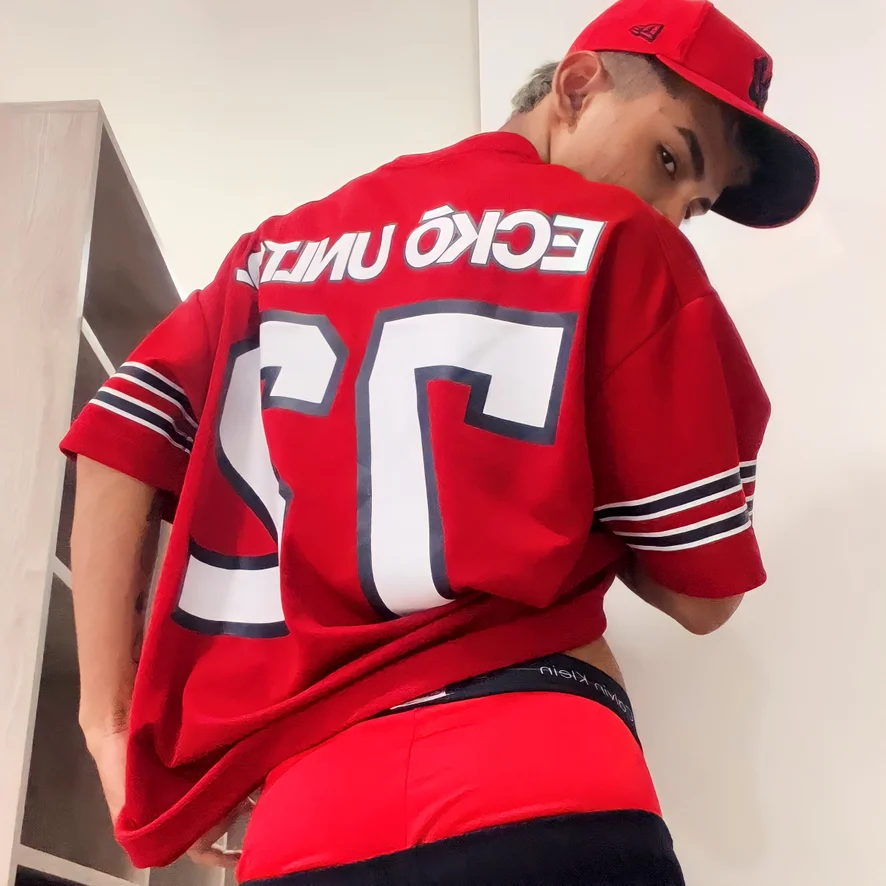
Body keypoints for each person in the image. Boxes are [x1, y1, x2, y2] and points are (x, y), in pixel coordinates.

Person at [62, 0, 818, 883]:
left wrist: (106, 725)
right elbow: (703, 597)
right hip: (539, 765)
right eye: (668, 159)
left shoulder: (280, 251)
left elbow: (120, 431)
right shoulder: (623, 244)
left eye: (694, 205)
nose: (668, 211)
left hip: (308, 807)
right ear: (578, 87)